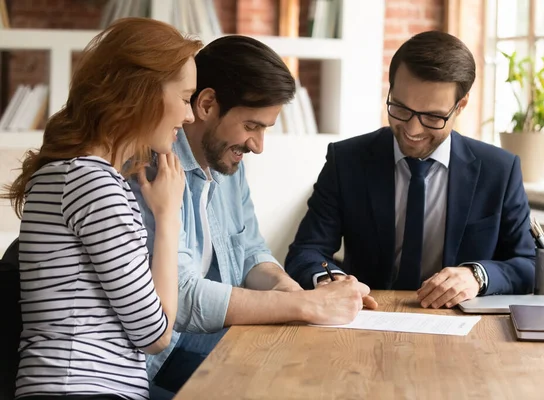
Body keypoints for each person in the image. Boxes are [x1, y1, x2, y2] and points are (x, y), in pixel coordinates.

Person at [129, 35, 375, 397]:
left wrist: (291, 288)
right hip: (158, 363)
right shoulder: (152, 170)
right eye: (252, 126)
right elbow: (182, 300)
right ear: (207, 104)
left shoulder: (228, 164)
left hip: (210, 342)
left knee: (332, 370)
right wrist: (304, 304)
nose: (258, 146)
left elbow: (249, 252)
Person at [1, 18, 202, 400]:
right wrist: (168, 216)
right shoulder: (92, 184)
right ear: (141, 93)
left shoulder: (72, 173)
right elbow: (154, 335)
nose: (190, 115)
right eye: (184, 97)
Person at [285, 30, 536, 310]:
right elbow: (306, 251)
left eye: (432, 116)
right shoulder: (347, 160)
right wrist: (331, 282)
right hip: (367, 317)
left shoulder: (499, 170)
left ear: (460, 106)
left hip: (464, 326)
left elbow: (528, 264)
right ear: (390, 89)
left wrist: (477, 275)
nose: (412, 130)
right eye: (401, 108)